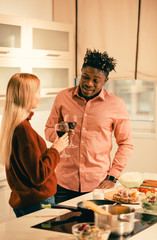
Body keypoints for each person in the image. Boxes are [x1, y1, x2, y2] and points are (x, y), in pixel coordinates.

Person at [45, 49, 133, 204]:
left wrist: (113, 176)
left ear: (105, 80)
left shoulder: (116, 104)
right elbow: (49, 130)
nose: (88, 83)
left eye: (96, 80)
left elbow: (126, 144)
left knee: (96, 228)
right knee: (63, 228)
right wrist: (61, 136)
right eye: (85, 77)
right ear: (81, 73)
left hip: (98, 185)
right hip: (63, 183)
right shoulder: (63, 97)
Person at [0, 73, 69, 217]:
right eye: (37, 91)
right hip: (40, 203)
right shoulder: (23, 129)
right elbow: (39, 176)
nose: (40, 94)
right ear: (27, 95)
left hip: (24, 202)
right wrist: (55, 149)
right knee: (46, 236)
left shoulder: (12, 124)